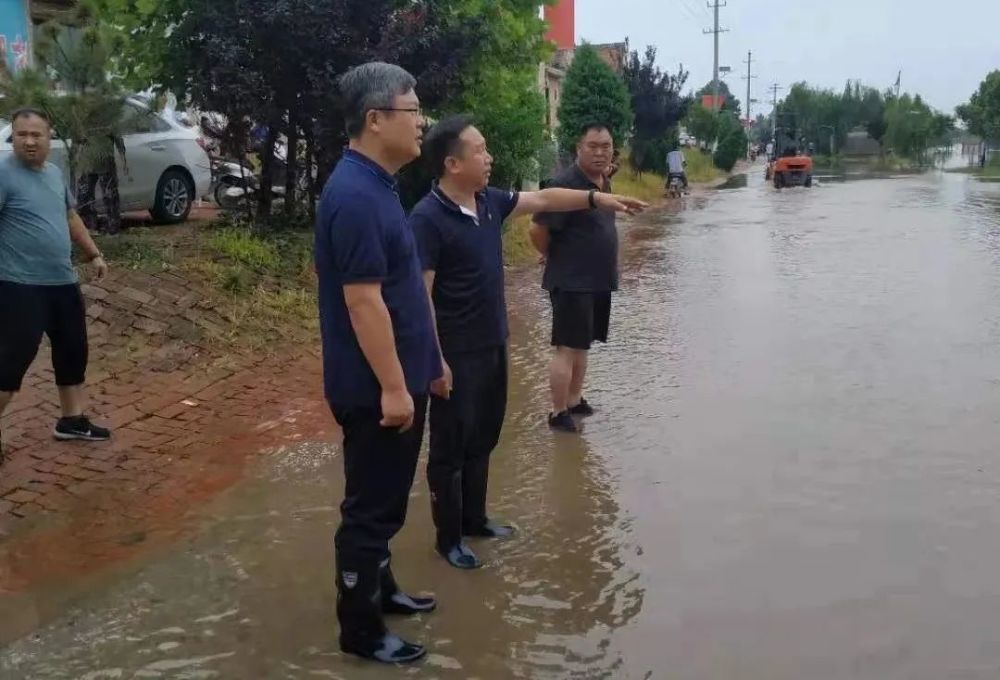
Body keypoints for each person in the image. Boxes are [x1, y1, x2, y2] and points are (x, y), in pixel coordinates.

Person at [410, 115, 646, 570]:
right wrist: (434, 360)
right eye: (480, 150)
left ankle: (475, 519)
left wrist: (598, 197)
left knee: (484, 437)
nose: (489, 156)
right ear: (452, 163)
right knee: (449, 448)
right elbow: (420, 294)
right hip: (454, 352)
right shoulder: (427, 218)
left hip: (493, 341)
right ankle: (448, 537)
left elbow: (543, 197)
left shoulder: (488, 202)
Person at [314, 62, 442, 665]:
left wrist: (427, 365)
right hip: (373, 388)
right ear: (376, 119)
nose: (422, 123)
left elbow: (399, 293)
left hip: (396, 378)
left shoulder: (378, 184)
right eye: (413, 112)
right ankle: (359, 629)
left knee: (386, 501)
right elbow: (363, 301)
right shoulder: (356, 195)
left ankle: (382, 590)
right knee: (370, 509)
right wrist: (395, 387)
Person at [0, 108, 112, 460]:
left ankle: (72, 421)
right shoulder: (3, 175)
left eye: (37, 135)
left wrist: (93, 253)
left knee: (72, 349)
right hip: (19, 284)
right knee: (12, 360)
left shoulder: (52, 173)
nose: (30, 141)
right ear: (13, 138)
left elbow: (68, 215)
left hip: (62, 281)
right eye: (22, 135)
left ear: (50, 137)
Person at [528, 123, 625, 433]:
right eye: (593, 146)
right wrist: (552, 255)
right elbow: (536, 229)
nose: (600, 152)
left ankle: (574, 400)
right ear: (578, 148)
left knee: (583, 345)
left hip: (596, 279)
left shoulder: (603, 181)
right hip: (570, 280)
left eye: (605, 146)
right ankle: (558, 412)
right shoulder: (565, 183)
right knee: (567, 347)